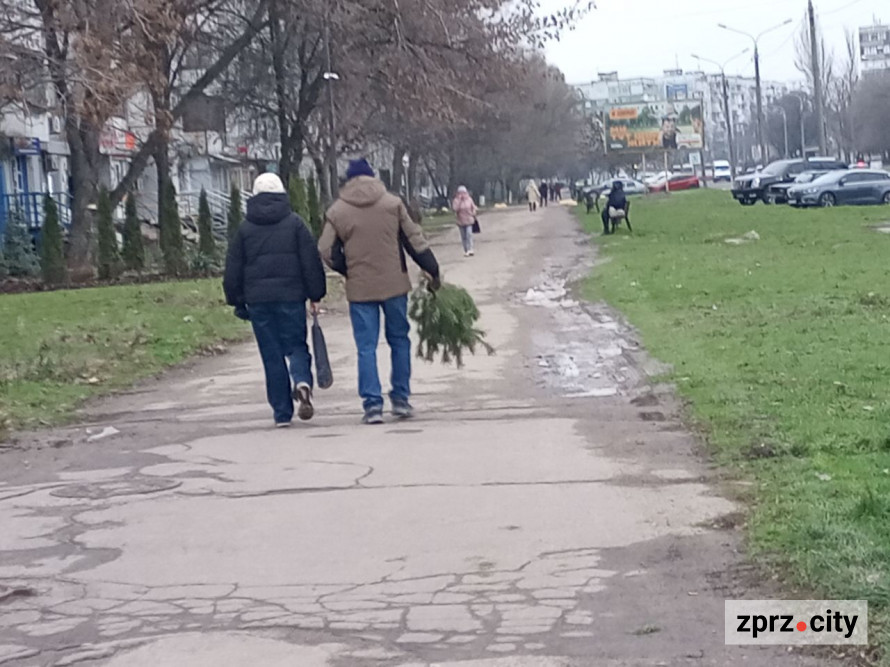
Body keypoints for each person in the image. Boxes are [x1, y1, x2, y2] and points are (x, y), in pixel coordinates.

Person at [319, 158, 441, 425]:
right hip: (395, 286)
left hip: (360, 289)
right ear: (373, 177)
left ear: (348, 181)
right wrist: (432, 269)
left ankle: (372, 406)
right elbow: (414, 240)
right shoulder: (392, 204)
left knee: (366, 347)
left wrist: (347, 268)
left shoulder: (337, 211)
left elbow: (325, 249)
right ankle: (400, 400)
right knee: (399, 340)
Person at [223, 172, 327, 428]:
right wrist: (316, 295)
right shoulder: (295, 224)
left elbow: (233, 267)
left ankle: (282, 413)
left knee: (271, 355)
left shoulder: (245, 230)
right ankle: (302, 381)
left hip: (259, 302)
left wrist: (236, 300)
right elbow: (310, 262)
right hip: (291, 297)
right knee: (296, 345)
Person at [452, 186, 478, 257]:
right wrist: (459, 201)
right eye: (460, 193)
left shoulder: (469, 199)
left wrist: (474, 212)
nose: (462, 194)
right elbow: (455, 209)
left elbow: (473, 207)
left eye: (464, 192)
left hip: (469, 219)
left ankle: (471, 249)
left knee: (469, 234)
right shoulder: (456, 200)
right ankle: (466, 250)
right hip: (461, 220)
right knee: (463, 237)